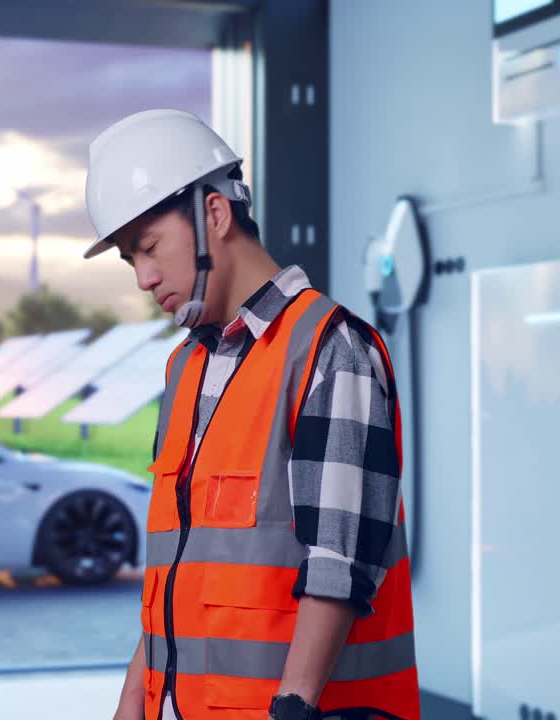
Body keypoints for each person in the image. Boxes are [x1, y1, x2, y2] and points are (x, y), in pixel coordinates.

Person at [84, 109, 420, 720]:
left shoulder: (329, 349)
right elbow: (183, 567)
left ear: (214, 213)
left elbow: (338, 566)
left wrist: (293, 707)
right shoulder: (185, 368)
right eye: (130, 259)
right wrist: (133, 699)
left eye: (150, 247)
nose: (143, 277)